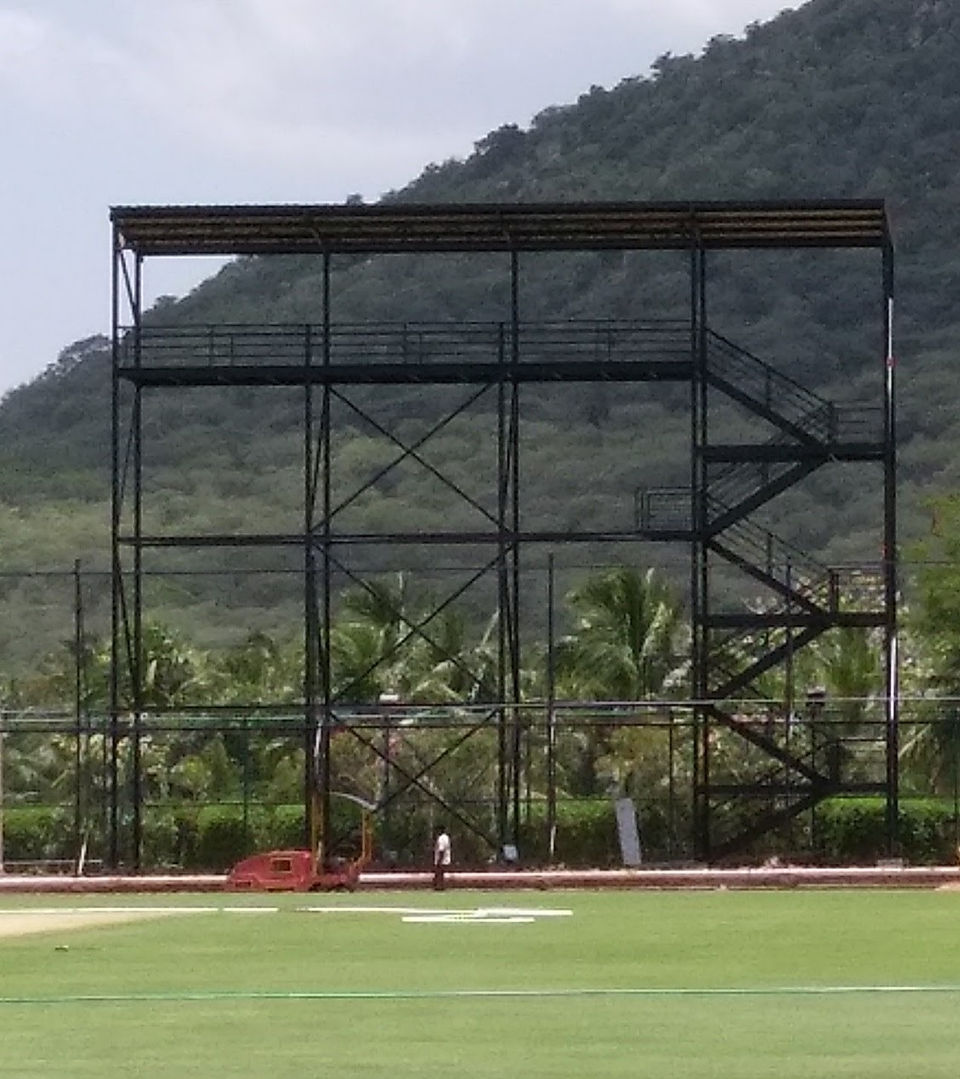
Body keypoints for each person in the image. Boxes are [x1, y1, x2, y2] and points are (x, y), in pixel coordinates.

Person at [433, 826, 451, 891]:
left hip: (442, 860)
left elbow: (441, 850)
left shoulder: (441, 838)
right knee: (441, 874)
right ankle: (441, 886)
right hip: (446, 859)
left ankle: (439, 886)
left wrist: (439, 861)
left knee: (439, 874)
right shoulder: (446, 837)